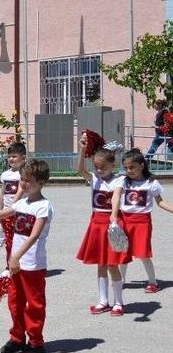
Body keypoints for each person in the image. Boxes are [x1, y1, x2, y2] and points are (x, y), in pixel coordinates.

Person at [0, 159, 53, 353]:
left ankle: (36, 342)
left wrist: (16, 257)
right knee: (15, 302)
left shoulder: (43, 206)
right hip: (17, 263)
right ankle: (17, 338)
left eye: (28, 180)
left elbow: (34, 236)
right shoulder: (21, 203)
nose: (23, 184)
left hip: (33, 264)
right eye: (22, 179)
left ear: (40, 183)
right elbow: (1, 215)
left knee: (34, 304)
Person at [75, 133, 127, 315]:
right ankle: (103, 300)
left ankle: (118, 302)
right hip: (96, 223)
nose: (99, 170)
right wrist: (82, 149)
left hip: (111, 222)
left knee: (112, 264)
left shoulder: (119, 179)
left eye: (103, 167)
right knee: (100, 264)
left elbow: (116, 197)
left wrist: (114, 215)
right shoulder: (94, 179)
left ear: (113, 164)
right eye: (96, 167)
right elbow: (80, 170)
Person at [111, 149, 173, 294]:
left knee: (143, 254)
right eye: (126, 167)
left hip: (142, 222)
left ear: (141, 165)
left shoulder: (152, 183)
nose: (128, 170)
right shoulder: (122, 180)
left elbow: (160, 202)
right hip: (124, 220)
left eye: (132, 167)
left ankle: (153, 282)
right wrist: (114, 214)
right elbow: (116, 197)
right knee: (122, 251)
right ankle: (121, 280)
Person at [0, 142, 27, 263]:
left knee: (21, 239)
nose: (11, 159)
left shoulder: (24, 174)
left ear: (23, 158)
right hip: (6, 212)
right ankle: (9, 265)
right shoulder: (5, 174)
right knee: (8, 240)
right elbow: (2, 193)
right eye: (9, 156)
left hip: (19, 212)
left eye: (14, 156)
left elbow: (20, 193)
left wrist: (11, 208)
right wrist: (1, 211)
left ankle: (22, 264)